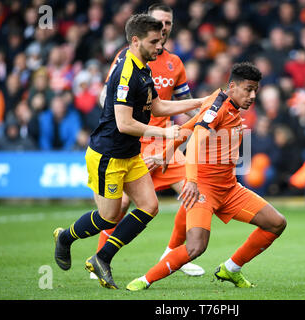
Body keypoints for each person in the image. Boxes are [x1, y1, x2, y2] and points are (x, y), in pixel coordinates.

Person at [52, 14, 204, 289]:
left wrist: (202, 101)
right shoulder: (126, 72)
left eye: (161, 40)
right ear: (135, 40)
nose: (160, 46)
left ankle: (102, 258)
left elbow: (158, 108)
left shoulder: (144, 67)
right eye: (154, 41)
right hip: (108, 155)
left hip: (129, 153)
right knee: (109, 215)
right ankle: (66, 237)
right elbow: (124, 123)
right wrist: (164, 133)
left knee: (149, 206)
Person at [126, 62, 287, 291]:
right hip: (203, 189)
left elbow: (188, 126)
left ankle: (230, 269)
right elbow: (194, 143)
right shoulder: (217, 107)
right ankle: (145, 280)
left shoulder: (227, 105)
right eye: (248, 89)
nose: (252, 96)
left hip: (230, 189)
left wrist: (166, 152)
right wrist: (191, 181)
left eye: (255, 91)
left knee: (277, 223)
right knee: (196, 247)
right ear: (232, 86)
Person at [92, 4, 205, 279]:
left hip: (164, 142)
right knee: (119, 207)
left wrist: (207, 118)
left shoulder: (174, 62)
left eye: (168, 22)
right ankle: (100, 257)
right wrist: (113, 115)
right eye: (159, 22)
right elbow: (108, 96)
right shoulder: (126, 58)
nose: (164, 27)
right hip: (134, 141)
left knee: (195, 193)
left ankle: (173, 253)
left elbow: (178, 102)